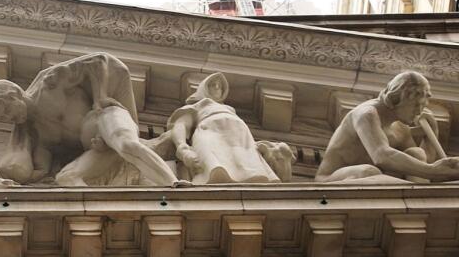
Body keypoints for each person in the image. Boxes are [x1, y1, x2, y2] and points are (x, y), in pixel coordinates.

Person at [0, 52, 182, 187]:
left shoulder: (49, 84)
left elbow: (96, 62)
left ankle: (175, 185)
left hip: (104, 118)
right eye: (2, 117)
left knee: (127, 145)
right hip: (97, 149)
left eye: (6, 110)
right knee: (66, 178)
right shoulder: (35, 133)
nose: (9, 118)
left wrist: (99, 98)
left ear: (16, 93)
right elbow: (42, 169)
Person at [316, 71, 459, 183]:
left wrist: (432, 133)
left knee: (416, 152)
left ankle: (419, 196)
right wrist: (434, 170)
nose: (419, 111)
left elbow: (418, 166)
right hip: (333, 180)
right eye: (416, 105)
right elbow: (382, 156)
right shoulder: (367, 114)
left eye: (423, 106)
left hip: (377, 178)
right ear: (398, 98)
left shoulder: (400, 127)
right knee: (368, 172)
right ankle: (415, 193)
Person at [168, 72, 284, 184]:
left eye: (220, 86)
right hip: (210, 134)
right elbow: (181, 125)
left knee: (251, 171)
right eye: (213, 85)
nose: (217, 88)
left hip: (241, 140)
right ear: (204, 88)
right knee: (216, 169)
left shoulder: (229, 109)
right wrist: (182, 148)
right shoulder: (198, 106)